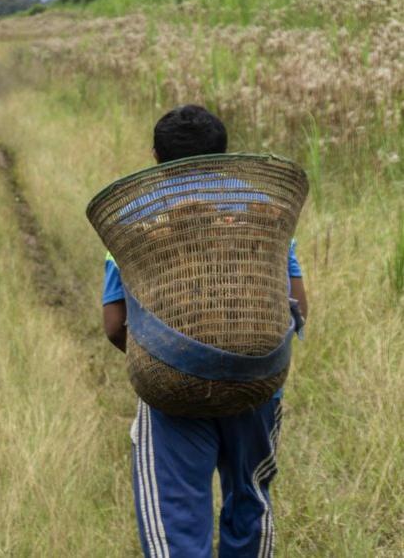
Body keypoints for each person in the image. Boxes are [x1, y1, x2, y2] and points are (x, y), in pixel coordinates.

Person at [101, 105, 308, 558]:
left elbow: (115, 324)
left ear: (155, 157)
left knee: (175, 520)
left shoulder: (138, 220)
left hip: (172, 389)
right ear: (224, 156)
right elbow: (298, 306)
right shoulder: (263, 210)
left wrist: (165, 356)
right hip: (257, 382)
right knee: (250, 499)